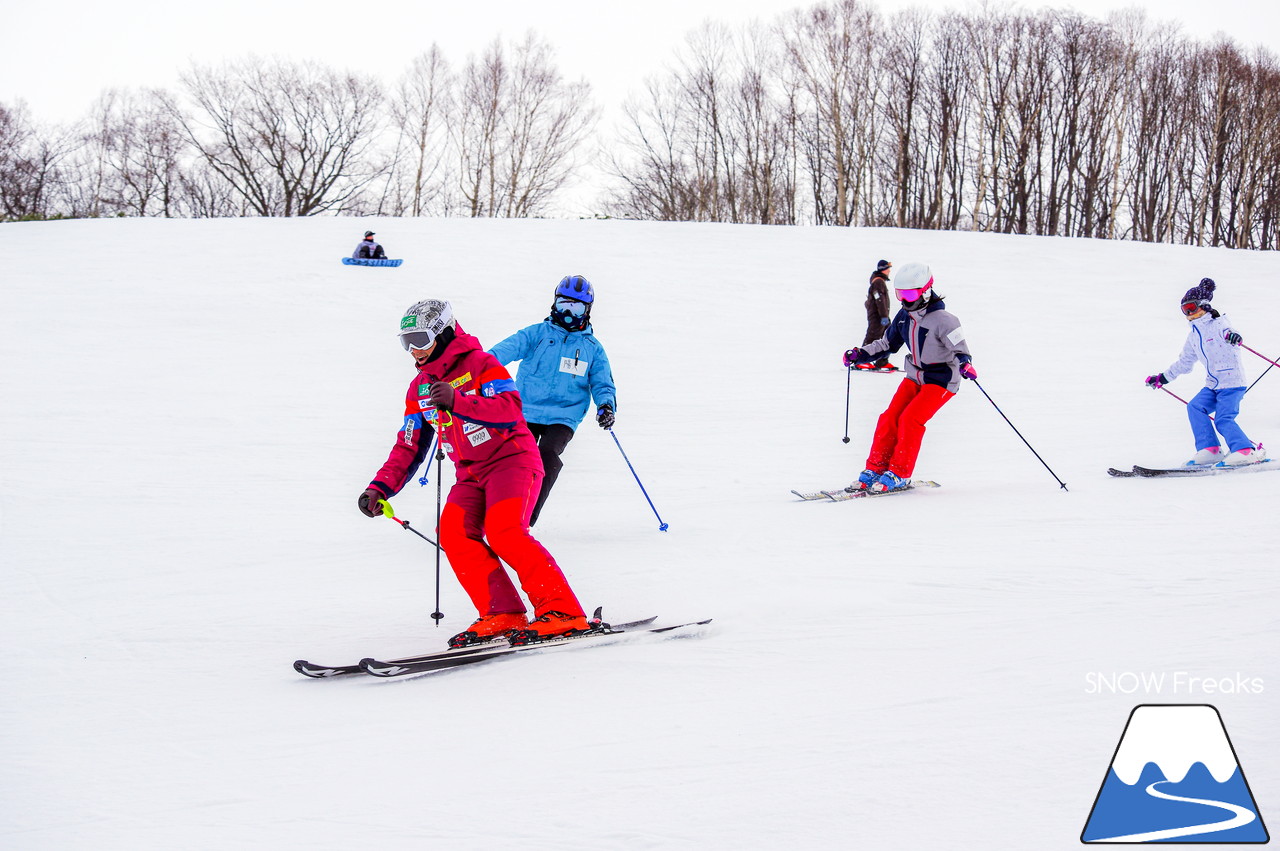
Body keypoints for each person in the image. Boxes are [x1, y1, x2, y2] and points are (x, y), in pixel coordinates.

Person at [356, 299, 590, 647]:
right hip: (470, 475)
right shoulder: (420, 389)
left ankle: (563, 612)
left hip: (513, 462)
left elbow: (510, 409)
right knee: (452, 533)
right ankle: (503, 613)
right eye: (406, 342)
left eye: (420, 339)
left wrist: (458, 400)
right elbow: (409, 445)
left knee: (505, 531)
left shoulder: (482, 365)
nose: (413, 351)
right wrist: (380, 488)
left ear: (445, 333)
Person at [489, 275, 618, 526]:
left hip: (563, 415)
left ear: (587, 311)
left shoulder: (592, 348)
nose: (568, 313)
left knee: (546, 455)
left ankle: (524, 519)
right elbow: (502, 352)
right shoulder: (536, 334)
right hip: (525, 409)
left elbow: (603, 382)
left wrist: (606, 405)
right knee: (511, 456)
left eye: (576, 307)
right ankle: (495, 507)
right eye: (563, 305)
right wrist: (478, 370)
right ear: (554, 304)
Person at [842, 262, 976, 493]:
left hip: (942, 379)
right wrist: (861, 353)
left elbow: (960, 348)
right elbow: (888, 344)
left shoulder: (945, 320)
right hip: (915, 376)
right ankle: (876, 468)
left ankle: (900, 474)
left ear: (925, 290)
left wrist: (966, 364)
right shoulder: (904, 316)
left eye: (910, 293)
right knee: (889, 418)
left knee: (910, 419)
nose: (905, 299)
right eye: (900, 293)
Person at [1144, 277, 1266, 467]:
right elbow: (1184, 363)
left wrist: (1233, 337)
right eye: (1184, 310)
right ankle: (1211, 450)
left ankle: (1244, 450)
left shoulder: (1219, 324)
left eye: (1191, 308)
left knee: (1223, 419)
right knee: (1194, 407)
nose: (1188, 313)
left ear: (1204, 306)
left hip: (1232, 383)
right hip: (1213, 385)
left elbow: (1230, 333)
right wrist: (1163, 378)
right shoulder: (1194, 334)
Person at [860, 259, 895, 370]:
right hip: (878, 316)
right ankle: (861, 360)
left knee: (887, 337)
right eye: (888, 268)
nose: (889, 270)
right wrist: (884, 316)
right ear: (883, 269)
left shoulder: (879, 281)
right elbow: (879, 299)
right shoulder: (878, 282)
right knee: (873, 335)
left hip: (881, 315)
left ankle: (882, 361)